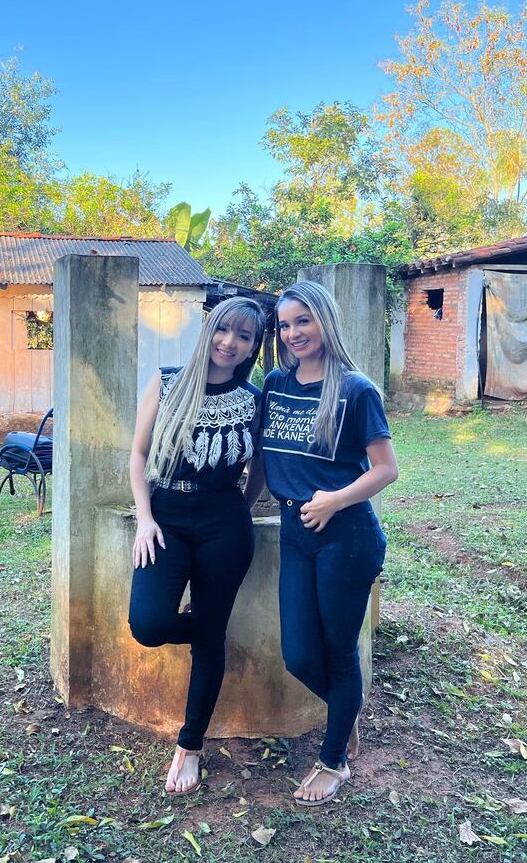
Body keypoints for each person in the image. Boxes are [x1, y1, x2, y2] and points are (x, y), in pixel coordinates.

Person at [244, 280, 398, 807]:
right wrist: (241, 511)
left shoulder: (356, 390)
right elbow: (263, 462)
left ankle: (334, 759)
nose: (293, 333)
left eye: (303, 321)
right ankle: (344, 715)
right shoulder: (275, 385)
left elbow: (385, 470)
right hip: (294, 531)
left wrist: (334, 499)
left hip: (346, 536)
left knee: (336, 650)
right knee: (298, 654)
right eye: (285, 325)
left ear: (325, 321)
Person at [128, 296, 266, 795]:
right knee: (148, 624)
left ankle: (190, 746)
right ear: (209, 328)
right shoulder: (167, 382)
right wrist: (144, 519)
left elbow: (261, 470)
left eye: (245, 336)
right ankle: (207, 629)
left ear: (254, 345)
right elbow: (139, 454)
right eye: (225, 329)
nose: (231, 342)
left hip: (223, 521)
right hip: (165, 517)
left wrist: (239, 511)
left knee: (209, 642)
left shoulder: (253, 398)